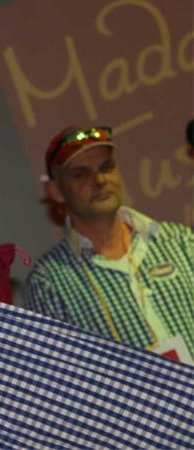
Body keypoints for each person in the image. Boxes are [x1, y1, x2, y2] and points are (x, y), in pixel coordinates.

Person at [25, 125, 193, 363]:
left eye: (106, 167)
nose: (100, 180)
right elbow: (62, 372)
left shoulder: (180, 241)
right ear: (55, 191)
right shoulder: (49, 282)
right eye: (81, 174)